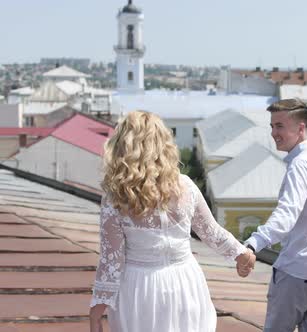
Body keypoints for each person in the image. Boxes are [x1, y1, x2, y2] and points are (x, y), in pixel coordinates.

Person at [88, 111, 255, 332]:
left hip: (139, 288)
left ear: (121, 148)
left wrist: (97, 309)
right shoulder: (185, 185)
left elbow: (112, 260)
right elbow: (211, 231)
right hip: (186, 283)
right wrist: (241, 253)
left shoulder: (116, 197)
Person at [244, 99, 307, 332]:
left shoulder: (301, 165)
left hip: (299, 271)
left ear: (300, 128)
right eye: (272, 126)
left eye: (279, 126)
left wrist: (253, 244)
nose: (273, 133)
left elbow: (287, 214)